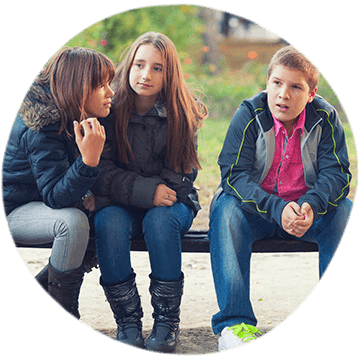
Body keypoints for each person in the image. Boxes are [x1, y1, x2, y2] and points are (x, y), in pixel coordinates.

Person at [208, 45, 353, 351]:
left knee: (346, 213)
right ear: (267, 83)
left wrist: (312, 205)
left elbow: (338, 175)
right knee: (225, 209)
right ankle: (235, 326)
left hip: (305, 213)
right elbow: (233, 175)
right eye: (277, 83)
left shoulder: (325, 118)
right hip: (257, 213)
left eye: (295, 87)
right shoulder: (250, 114)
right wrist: (276, 207)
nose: (283, 94)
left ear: (311, 93)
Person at [91, 32, 208, 353]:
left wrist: (159, 192)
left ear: (169, 74)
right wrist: (145, 190)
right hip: (121, 202)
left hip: (172, 202)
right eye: (140, 64)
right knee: (108, 222)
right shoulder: (109, 111)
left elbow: (182, 174)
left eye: (157, 68)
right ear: (127, 66)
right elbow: (100, 172)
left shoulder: (184, 112)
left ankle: (166, 322)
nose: (146, 75)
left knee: (159, 221)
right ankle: (127, 321)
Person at [2, 47, 115, 320]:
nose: (111, 92)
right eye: (101, 86)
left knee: (109, 218)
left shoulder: (80, 117)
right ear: (78, 88)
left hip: (40, 203)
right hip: (14, 209)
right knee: (72, 222)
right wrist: (88, 161)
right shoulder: (42, 125)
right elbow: (56, 195)